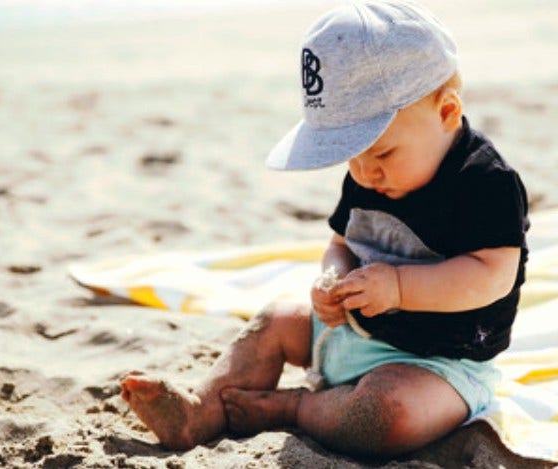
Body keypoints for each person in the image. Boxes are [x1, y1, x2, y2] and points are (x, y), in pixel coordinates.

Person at [119, 0, 529, 457]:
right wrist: (331, 278)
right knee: (277, 318)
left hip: (436, 363)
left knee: (388, 417)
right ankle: (202, 410)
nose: (364, 171)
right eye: (349, 154)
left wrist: (398, 286)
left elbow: (492, 274)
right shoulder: (369, 173)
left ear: (447, 112)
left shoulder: (484, 183)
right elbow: (341, 244)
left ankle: (294, 409)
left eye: (381, 153)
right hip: (348, 331)